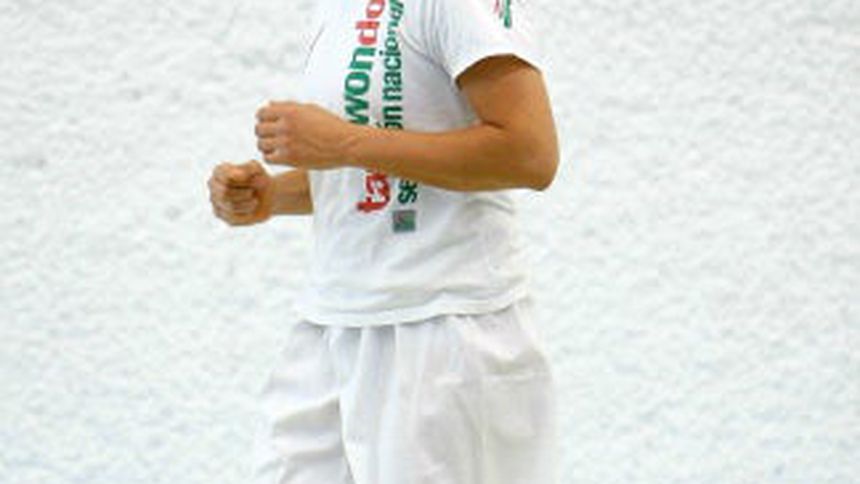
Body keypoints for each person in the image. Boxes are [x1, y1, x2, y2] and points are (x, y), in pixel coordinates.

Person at [206, 0, 560, 483]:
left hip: (442, 328)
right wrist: (271, 195)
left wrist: (344, 142)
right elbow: (377, 165)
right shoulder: (334, 10)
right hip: (333, 324)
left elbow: (531, 153)